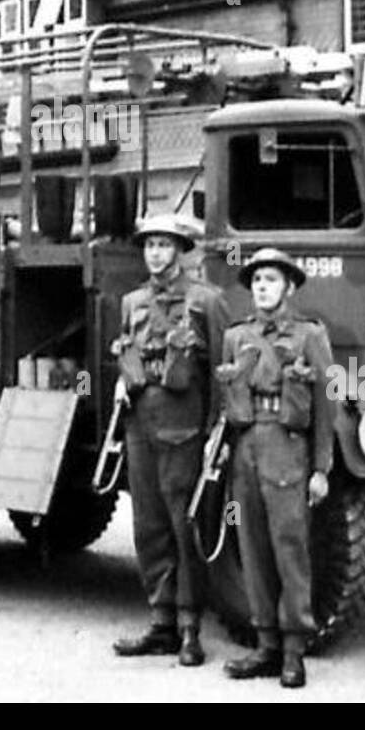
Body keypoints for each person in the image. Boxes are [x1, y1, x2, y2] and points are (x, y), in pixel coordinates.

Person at [111, 213, 230, 667]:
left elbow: (220, 371)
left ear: (181, 250)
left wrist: (215, 431)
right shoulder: (132, 301)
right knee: (149, 525)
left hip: (184, 427)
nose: (156, 253)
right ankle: (161, 622)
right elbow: (126, 352)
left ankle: (189, 628)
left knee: (186, 528)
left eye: (164, 245)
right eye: (149, 245)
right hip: (141, 423)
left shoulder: (206, 301)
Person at [217, 248, 336, 689]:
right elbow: (225, 398)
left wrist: (321, 467)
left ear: (288, 286)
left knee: (290, 550)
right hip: (246, 445)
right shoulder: (235, 336)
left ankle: (293, 650)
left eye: (271, 279)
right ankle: (265, 644)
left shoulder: (309, 336)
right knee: (253, 548)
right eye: (257, 280)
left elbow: (328, 405)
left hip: (287, 448)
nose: (262, 287)